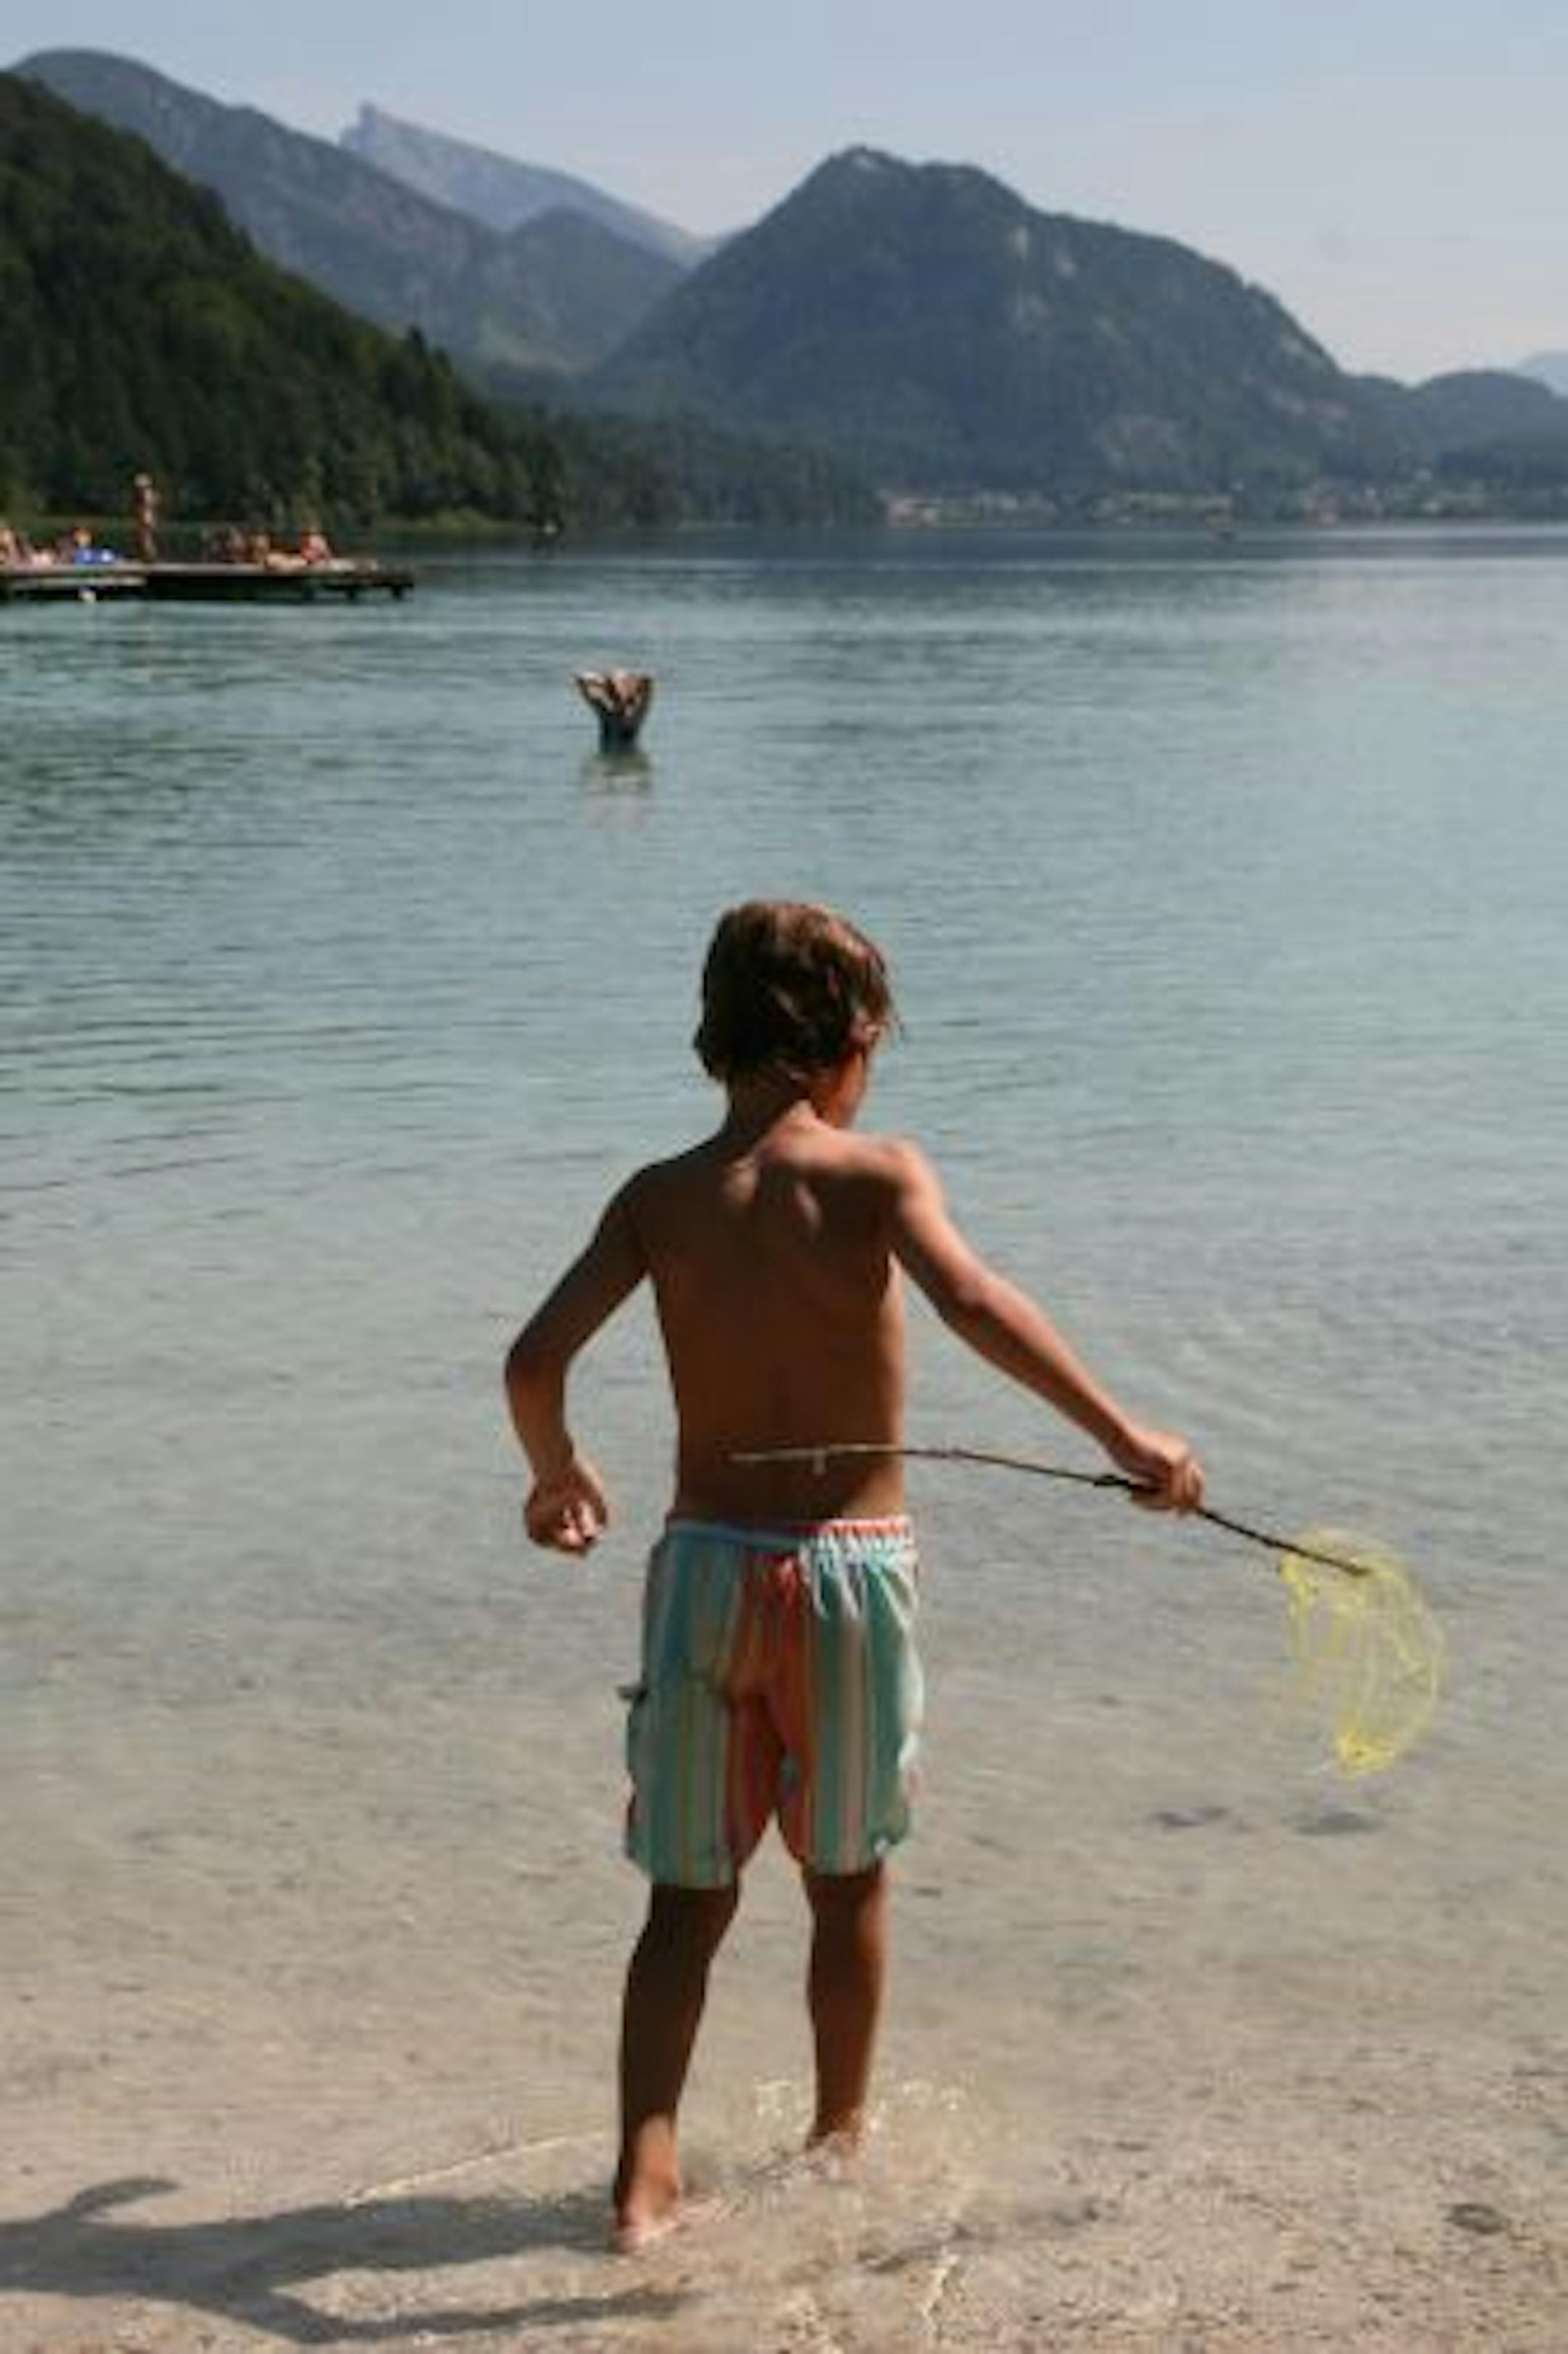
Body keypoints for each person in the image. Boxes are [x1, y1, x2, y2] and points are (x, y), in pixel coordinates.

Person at [504, 899, 1204, 2251]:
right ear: (855, 1040)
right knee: (850, 1883)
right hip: (849, 1577)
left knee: (685, 1906)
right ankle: (837, 2149)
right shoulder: (879, 1176)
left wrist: (555, 1472)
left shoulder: (658, 1198)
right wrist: (1129, 1438)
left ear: (715, 1039)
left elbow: (533, 1362)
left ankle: (644, 2181)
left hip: (706, 1569)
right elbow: (979, 1306)